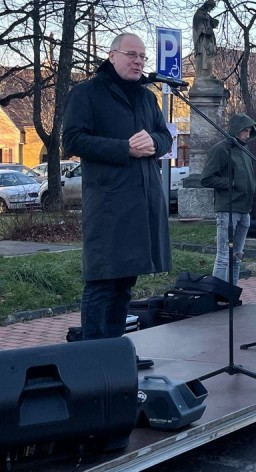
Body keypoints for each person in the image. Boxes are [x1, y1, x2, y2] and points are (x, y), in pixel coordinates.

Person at [62, 32, 172, 369]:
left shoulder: (146, 98)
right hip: (109, 204)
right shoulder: (87, 93)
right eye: (131, 54)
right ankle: (92, 360)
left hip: (142, 203)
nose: (139, 61)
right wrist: (123, 148)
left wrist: (154, 142)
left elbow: (165, 137)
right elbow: (73, 139)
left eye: (142, 56)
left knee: (125, 280)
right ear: (112, 56)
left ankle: (113, 354)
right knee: (102, 281)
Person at [200, 113, 256, 286]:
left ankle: (232, 293)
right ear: (235, 131)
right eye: (244, 131)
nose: (247, 135)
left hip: (245, 209)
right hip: (228, 209)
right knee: (224, 256)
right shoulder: (220, 149)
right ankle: (216, 293)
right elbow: (206, 178)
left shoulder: (245, 150)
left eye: (250, 131)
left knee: (237, 256)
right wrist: (231, 183)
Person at [192, 0, 219, 81]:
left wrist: (214, 22)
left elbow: (212, 23)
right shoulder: (199, 15)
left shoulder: (206, 15)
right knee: (205, 54)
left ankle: (209, 73)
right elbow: (200, 28)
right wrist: (206, 30)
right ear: (207, 6)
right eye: (211, 7)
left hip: (209, 39)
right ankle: (204, 74)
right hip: (202, 40)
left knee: (210, 54)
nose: (211, 10)